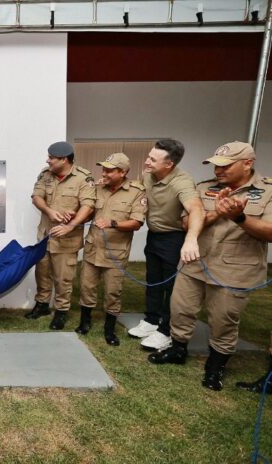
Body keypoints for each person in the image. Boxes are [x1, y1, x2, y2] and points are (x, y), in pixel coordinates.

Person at [149, 141, 272, 391]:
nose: (218, 171)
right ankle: (177, 349)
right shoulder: (205, 188)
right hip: (195, 262)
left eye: (225, 166)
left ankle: (215, 367)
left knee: (223, 319)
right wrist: (217, 213)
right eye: (215, 165)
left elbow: (270, 232)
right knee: (180, 308)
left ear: (248, 163)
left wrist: (239, 217)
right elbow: (186, 224)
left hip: (234, 270)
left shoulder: (267, 191)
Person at [128, 139, 204, 351]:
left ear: (168, 164)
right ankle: (151, 320)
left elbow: (197, 209)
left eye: (153, 159)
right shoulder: (147, 176)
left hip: (174, 238)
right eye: (148, 156)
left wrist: (191, 239)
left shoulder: (182, 181)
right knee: (153, 281)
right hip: (154, 236)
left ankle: (166, 330)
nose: (146, 162)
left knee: (172, 287)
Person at [76, 153, 146, 346]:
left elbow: (137, 222)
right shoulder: (97, 188)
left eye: (109, 170)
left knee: (113, 292)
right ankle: (85, 322)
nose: (104, 173)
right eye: (103, 169)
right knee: (86, 288)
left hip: (115, 252)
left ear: (122, 172)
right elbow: (88, 211)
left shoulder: (136, 192)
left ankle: (109, 329)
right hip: (93, 249)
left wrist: (112, 223)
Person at [25, 141, 96, 330]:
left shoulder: (83, 178)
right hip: (45, 236)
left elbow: (88, 206)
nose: (47, 160)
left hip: (67, 239)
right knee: (42, 273)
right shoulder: (45, 174)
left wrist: (70, 226)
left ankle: (61, 311)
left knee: (63, 277)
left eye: (51, 158)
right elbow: (36, 196)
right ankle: (42, 305)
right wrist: (49, 211)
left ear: (64, 160)